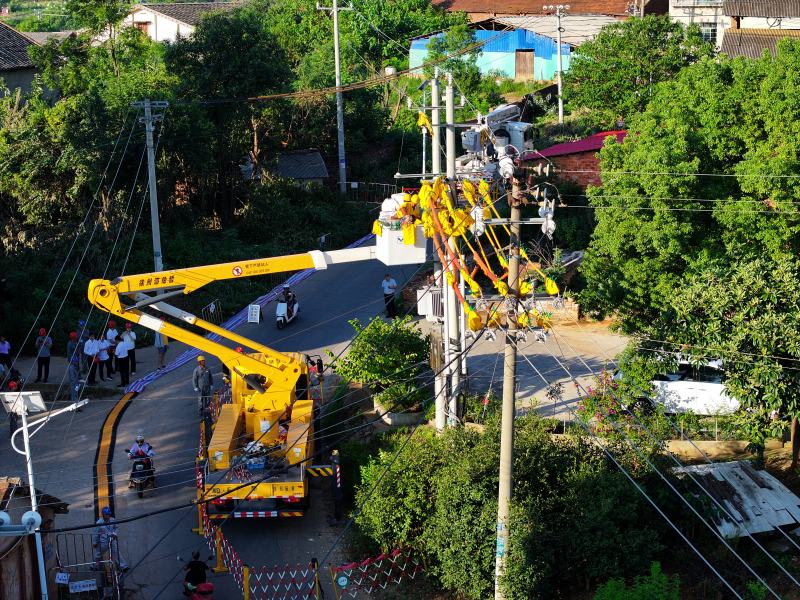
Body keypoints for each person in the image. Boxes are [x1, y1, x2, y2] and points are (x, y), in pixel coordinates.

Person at [66, 331, 81, 404]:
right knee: (74, 383)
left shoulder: (75, 343)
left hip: (76, 364)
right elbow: (76, 351)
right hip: (72, 364)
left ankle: (76, 398)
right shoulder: (70, 344)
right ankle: (74, 400)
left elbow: (78, 352)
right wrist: (79, 344)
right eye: (76, 336)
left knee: (77, 383)